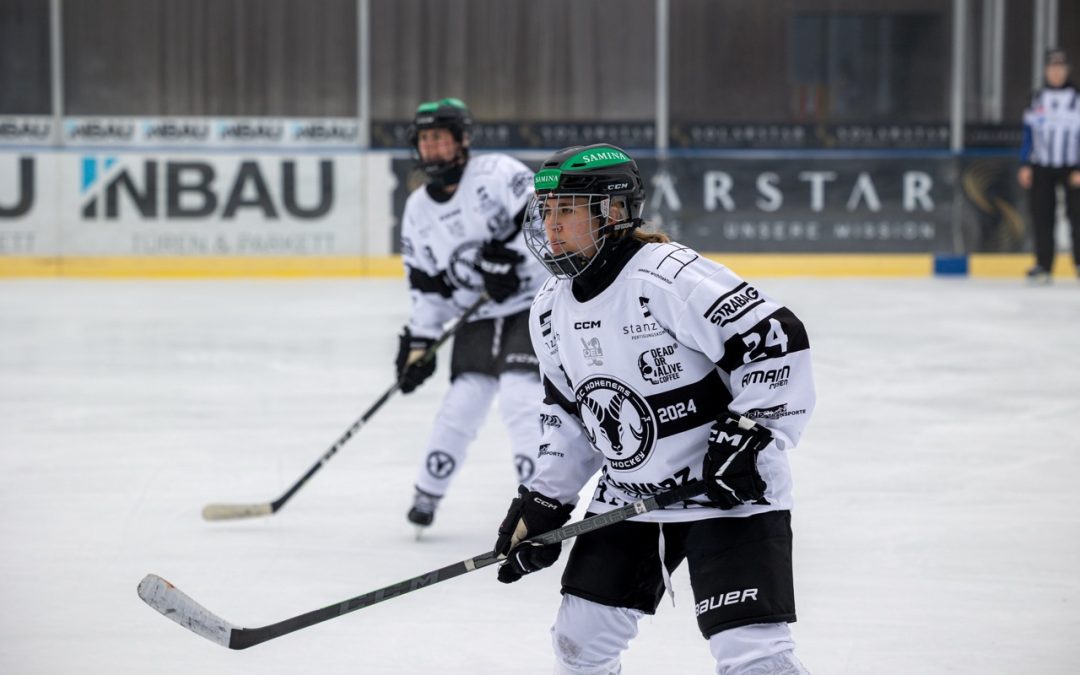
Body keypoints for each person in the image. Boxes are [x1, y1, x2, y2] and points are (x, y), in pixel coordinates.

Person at [492, 144, 816, 673]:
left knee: (753, 654)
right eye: (546, 211)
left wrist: (750, 434)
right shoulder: (550, 306)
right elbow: (570, 417)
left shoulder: (667, 277)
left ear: (613, 211)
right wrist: (543, 503)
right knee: (579, 644)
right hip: (631, 497)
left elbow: (777, 340)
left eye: (567, 210)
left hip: (728, 496)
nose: (551, 226)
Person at [396, 98, 548, 529]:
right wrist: (420, 342)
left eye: (440, 139)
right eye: (425, 140)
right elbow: (427, 285)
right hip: (477, 316)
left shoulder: (497, 174)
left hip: (533, 306)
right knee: (461, 403)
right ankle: (427, 494)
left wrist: (513, 256)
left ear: (462, 140)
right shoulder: (418, 210)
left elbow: (546, 217)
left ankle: (540, 501)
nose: (433, 149)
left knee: (521, 397)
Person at [1018, 48, 1080, 283]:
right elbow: (1028, 135)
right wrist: (1025, 164)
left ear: (1067, 70)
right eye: (1052, 67)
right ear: (1046, 71)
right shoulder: (1037, 98)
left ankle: (1079, 261)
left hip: (1072, 166)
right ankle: (1044, 265)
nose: (1056, 72)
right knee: (1042, 216)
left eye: (1060, 67)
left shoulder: (1076, 99)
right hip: (1042, 166)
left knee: (1077, 216)